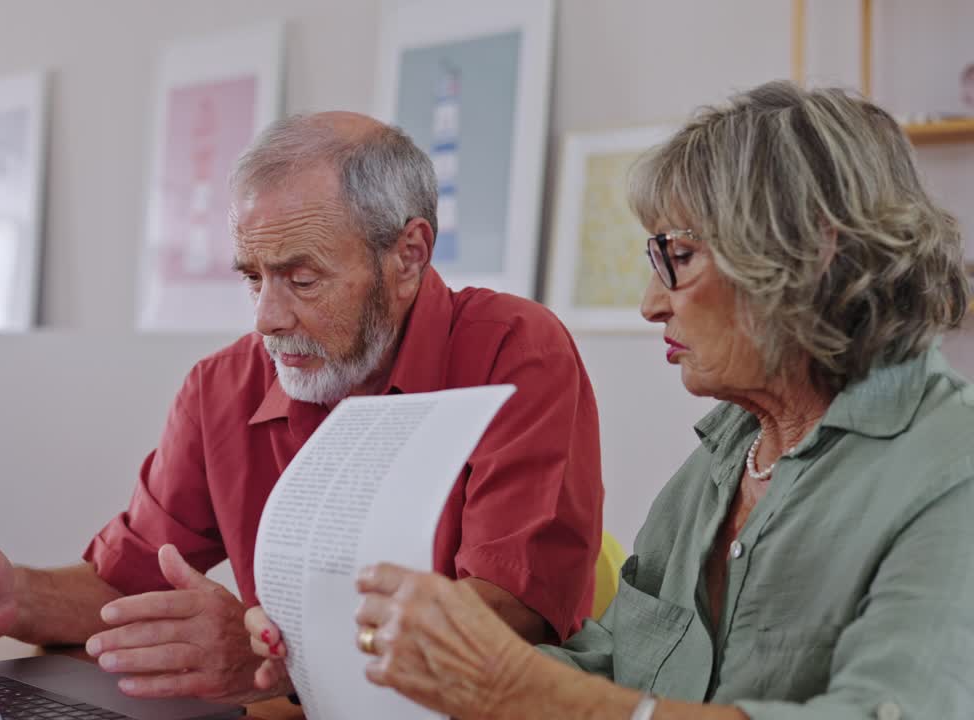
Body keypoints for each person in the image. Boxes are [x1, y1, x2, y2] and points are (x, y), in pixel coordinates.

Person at [247, 81, 974, 718]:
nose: (650, 304)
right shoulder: (717, 469)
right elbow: (609, 667)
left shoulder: (952, 475)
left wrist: (519, 690)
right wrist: (384, 667)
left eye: (678, 259)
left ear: (812, 254)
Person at [0, 111, 604, 703]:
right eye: (252, 277)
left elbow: (499, 615)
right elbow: (132, 579)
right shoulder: (222, 387)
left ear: (408, 257)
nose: (266, 318)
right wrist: (21, 596)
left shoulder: (516, 352)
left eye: (302, 278)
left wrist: (278, 655)